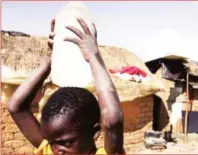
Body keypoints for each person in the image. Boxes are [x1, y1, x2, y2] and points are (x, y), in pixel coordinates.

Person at [7, 18, 125, 154]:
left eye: (66, 143)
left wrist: (94, 58)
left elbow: (113, 119)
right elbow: (15, 107)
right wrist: (47, 63)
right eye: (51, 142)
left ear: (95, 133)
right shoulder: (49, 151)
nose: (57, 151)